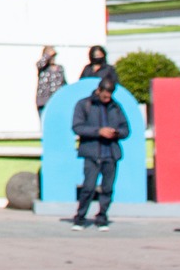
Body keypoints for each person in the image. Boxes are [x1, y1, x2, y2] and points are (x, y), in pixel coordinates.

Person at [71, 74, 129, 226]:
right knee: (88, 187)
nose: (107, 98)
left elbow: (126, 129)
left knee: (108, 188)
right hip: (92, 153)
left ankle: (102, 216)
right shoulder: (84, 104)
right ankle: (80, 216)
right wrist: (98, 131)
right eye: (104, 94)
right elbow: (77, 127)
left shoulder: (115, 107)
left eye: (110, 95)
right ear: (99, 90)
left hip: (111, 154)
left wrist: (116, 133)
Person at [36, 46, 66, 114]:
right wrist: (48, 54)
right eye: (50, 56)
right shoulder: (42, 68)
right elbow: (40, 63)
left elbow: (64, 83)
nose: (52, 58)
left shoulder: (60, 68)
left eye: (53, 56)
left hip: (57, 101)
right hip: (44, 102)